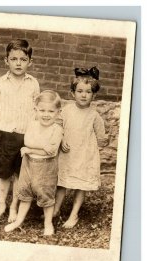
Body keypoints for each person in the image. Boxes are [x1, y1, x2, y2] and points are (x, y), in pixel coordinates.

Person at [0, 39, 40, 223]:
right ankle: (2, 205)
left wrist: (35, 136)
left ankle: (14, 207)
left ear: (30, 62)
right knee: (4, 173)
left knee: (19, 174)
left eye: (23, 59)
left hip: (25, 136)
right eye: (14, 59)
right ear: (6, 60)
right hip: (6, 134)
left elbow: (36, 112)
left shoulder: (34, 84)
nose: (18, 63)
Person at [53, 67, 108, 228]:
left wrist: (93, 150)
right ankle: (55, 210)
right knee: (62, 182)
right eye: (80, 91)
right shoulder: (67, 111)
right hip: (67, 154)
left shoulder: (94, 116)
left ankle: (74, 215)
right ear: (72, 93)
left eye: (88, 92)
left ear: (94, 95)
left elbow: (101, 137)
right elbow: (57, 127)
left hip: (85, 156)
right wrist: (62, 139)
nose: (84, 95)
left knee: (80, 185)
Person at [4, 90, 63, 235]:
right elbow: (27, 141)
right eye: (42, 110)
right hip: (28, 166)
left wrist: (30, 150)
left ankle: (48, 223)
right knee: (25, 192)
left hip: (46, 168)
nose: (46, 114)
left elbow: (52, 151)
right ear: (35, 110)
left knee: (46, 194)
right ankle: (18, 220)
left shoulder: (57, 129)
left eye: (51, 111)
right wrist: (42, 146)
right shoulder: (33, 124)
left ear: (58, 112)